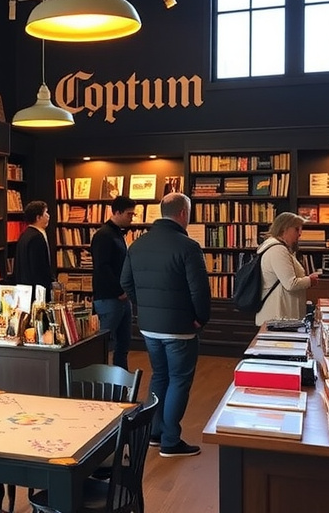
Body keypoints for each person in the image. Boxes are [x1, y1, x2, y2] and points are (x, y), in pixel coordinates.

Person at [120, 192, 210, 457]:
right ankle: (171, 440)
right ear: (183, 213)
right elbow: (200, 291)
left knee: (160, 376)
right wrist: (201, 318)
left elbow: (126, 282)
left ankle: (156, 433)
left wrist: (143, 307)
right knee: (179, 380)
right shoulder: (188, 246)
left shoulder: (137, 244)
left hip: (149, 326)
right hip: (180, 328)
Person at [90, 195, 136, 369]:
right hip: (109, 299)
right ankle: (102, 381)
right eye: (129, 214)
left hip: (121, 298)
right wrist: (120, 291)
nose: (131, 218)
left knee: (123, 344)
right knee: (105, 344)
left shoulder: (117, 233)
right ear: (117, 212)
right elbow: (102, 268)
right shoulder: (103, 235)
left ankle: (120, 383)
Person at [254, 212, 319, 326]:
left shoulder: (279, 247)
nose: (300, 234)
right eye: (296, 229)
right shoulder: (278, 250)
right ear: (284, 229)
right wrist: (310, 280)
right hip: (278, 316)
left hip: (281, 315)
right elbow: (290, 284)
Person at [14, 200, 54, 302]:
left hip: (24, 290)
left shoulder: (25, 234)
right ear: (38, 217)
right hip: (36, 293)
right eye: (45, 213)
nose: (48, 216)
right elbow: (39, 268)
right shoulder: (36, 237)